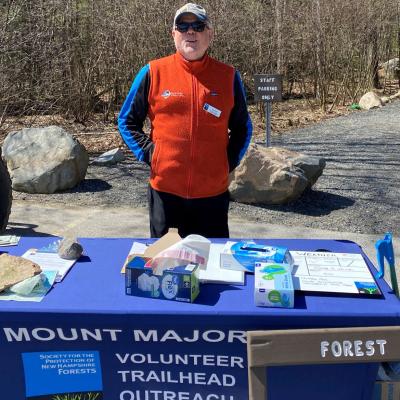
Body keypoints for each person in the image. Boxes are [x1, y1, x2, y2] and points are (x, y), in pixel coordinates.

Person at [118, 3, 252, 238]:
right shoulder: (152, 72)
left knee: (210, 267)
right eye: (183, 25)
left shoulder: (229, 76)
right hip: (165, 193)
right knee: (167, 266)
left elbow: (243, 128)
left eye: (198, 26)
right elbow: (126, 121)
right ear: (174, 34)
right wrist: (152, 154)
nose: (190, 32)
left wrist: (226, 162)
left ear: (209, 34)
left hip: (212, 196)